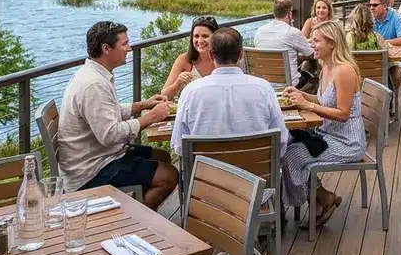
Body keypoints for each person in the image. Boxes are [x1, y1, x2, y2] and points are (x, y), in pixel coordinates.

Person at [58, 22, 178, 209]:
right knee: (169, 176)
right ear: (106, 48)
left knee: (162, 156)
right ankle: (136, 219)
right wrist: (151, 117)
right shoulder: (94, 84)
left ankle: (137, 206)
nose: (129, 49)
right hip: (92, 171)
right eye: (124, 44)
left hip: (100, 157)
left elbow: (106, 113)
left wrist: (142, 105)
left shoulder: (93, 74)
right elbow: (110, 135)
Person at [281, 21, 367, 227]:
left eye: (316, 40)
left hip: (347, 142)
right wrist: (301, 95)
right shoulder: (325, 66)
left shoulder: (344, 71)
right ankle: (323, 198)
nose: (311, 44)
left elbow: (343, 114)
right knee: (289, 144)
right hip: (328, 134)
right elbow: (324, 101)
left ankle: (288, 209)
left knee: (292, 156)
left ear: (332, 44)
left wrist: (307, 106)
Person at [170, 27, 288, 160]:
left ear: (211, 55)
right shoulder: (264, 89)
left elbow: (179, 146)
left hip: (207, 178)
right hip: (257, 177)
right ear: (241, 54)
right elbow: (281, 141)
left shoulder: (191, 92)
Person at [253, 0, 315, 88]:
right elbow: (312, 54)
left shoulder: (259, 31)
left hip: (265, 84)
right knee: (312, 77)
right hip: (288, 85)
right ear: (289, 14)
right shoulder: (293, 32)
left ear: (274, 13)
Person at [160, 16, 219, 99]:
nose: (200, 41)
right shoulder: (183, 60)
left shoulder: (222, 59)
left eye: (205, 36)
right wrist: (177, 84)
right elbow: (163, 96)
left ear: (215, 37)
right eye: (196, 36)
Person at [370, 0, 401, 85]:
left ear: (385, 6)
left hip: (395, 59)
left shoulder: (396, 17)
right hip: (374, 58)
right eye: (370, 5)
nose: (371, 8)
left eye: (375, 5)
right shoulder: (370, 17)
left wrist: (383, 42)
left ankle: (389, 97)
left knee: (395, 74)